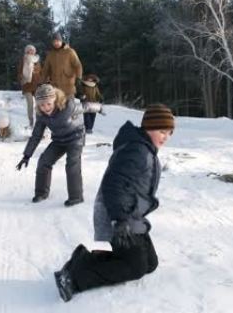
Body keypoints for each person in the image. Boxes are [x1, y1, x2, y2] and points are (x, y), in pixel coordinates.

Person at [53, 104, 175, 302]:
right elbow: (114, 185)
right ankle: (73, 277)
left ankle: (82, 259)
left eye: (169, 132)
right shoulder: (137, 152)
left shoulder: (142, 148)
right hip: (119, 217)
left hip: (130, 215)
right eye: (161, 131)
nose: (166, 137)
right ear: (148, 127)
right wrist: (120, 220)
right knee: (136, 267)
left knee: (149, 263)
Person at [16, 84, 85, 206]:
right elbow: (36, 136)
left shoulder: (68, 106)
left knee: (72, 164)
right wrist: (26, 155)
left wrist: (99, 108)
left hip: (75, 138)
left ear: (55, 100)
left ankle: (76, 197)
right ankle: (41, 193)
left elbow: (86, 107)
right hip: (59, 140)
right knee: (44, 161)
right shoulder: (41, 115)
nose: (46, 107)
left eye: (48, 103)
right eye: (42, 105)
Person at [42, 32, 82, 98]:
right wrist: (42, 82)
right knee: (58, 106)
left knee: (69, 106)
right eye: (54, 41)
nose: (56, 43)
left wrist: (79, 77)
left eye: (58, 41)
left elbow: (78, 65)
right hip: (55, 86)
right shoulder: (50, 54)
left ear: (61, 41)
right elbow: (46, 69)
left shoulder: (70, 51)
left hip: (68, 85)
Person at [17, 44, 43, 127]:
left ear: (34, 51)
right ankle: (31, 122)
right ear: (26, 51)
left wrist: (42, 80)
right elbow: (19, 72)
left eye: (32, 50)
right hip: (27, 85)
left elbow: (41, 72)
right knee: (30, 104)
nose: (31, 51)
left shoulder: (37, 61)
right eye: (29, 50)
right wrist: (21, 78)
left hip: (36, 85)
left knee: (39, 103)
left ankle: (39, 121)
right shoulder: (23, 60)